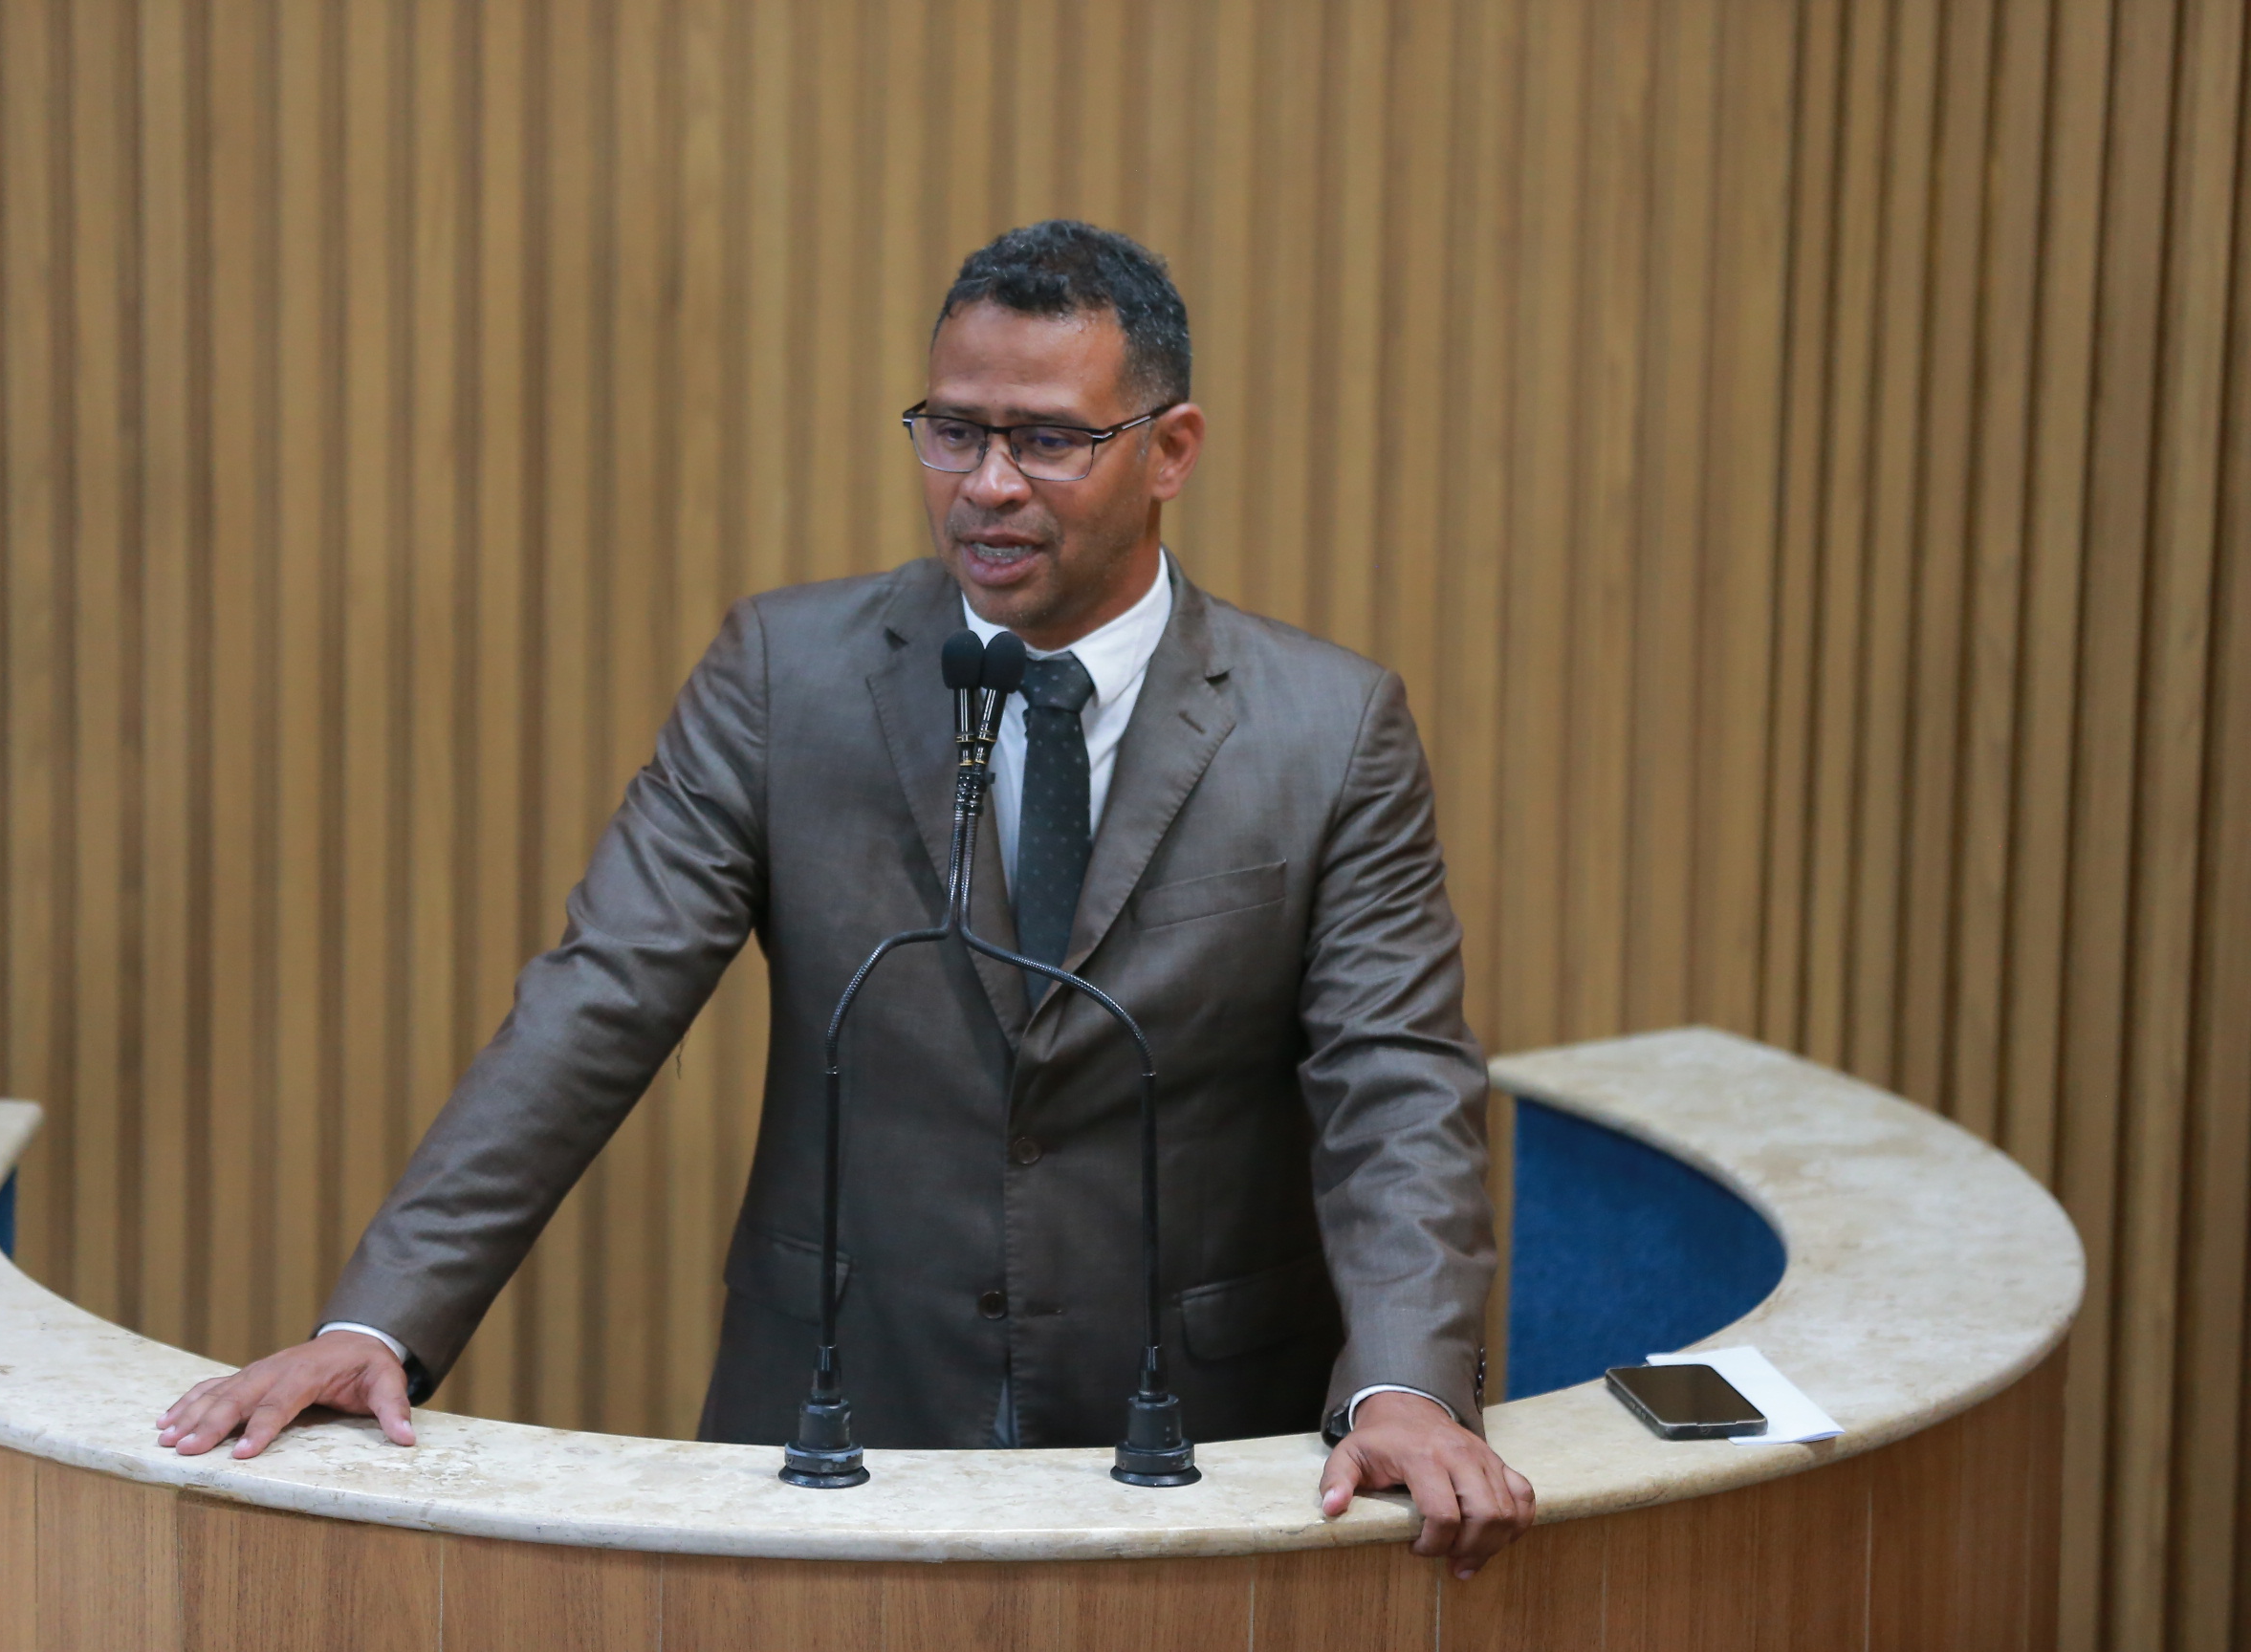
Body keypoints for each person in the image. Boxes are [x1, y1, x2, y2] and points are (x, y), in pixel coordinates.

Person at [157, 221, 1535, 1577]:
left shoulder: (1327, 729)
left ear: (1170, 450)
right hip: (841, 1413)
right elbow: (600, 997)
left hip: (1203, 1440)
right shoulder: (786, 677)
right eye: (954, 431)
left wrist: (1410, 1382)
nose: (987, 486)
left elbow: (1395, 1077)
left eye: (1047, 441)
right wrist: (379, 1325)